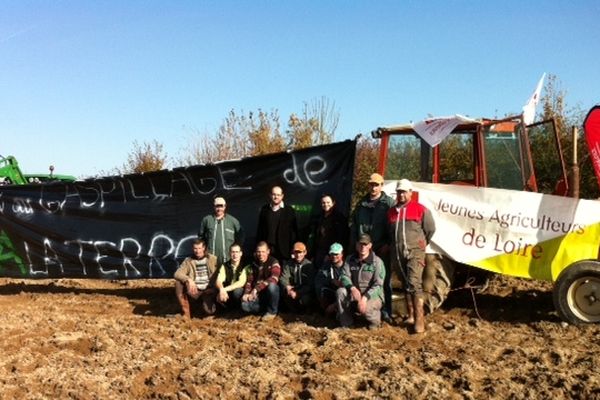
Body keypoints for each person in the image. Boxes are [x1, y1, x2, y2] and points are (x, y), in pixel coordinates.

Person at [387, 178, 436, 333]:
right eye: (399, 192)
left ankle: (420, 321)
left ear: (410, 192)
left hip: (415, 252)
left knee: (414, 282)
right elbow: (390, 232)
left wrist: (421, 244)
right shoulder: (391, 211)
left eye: (404, 192)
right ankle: (411, 315)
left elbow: (430, 229)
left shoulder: (420, 209)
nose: (401, 195)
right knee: (404, 281)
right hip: (397, 252)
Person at [350, 172, 395, 323]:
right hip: (363, 249)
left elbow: (393, 227)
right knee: (362, 280)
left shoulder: (388, 204)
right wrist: (354, 245)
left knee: (384, 281)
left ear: (382, 186)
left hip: (381, 248)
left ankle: (386, 311)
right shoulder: (361, 204)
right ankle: (362, 308)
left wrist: (388, 244)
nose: (373, 187)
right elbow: (354, 226)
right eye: (371, 184)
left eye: (376, 185)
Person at [336, 234, 385, 329]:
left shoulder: (377, 262)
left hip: (372, 296)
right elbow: (344, 276)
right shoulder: (350, 260)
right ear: (356, 245)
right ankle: (347, 323)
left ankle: (375, 321)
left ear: (370, 245)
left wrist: (365, 298)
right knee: (340, 292)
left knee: (365, 309)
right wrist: (352, 288)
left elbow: (378, 284)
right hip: (355, 294)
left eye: (365, 244)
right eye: (360, 244)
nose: (363, 247)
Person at [173, 239, 219, 318]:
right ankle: (186, 313)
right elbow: (177, 273)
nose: (197, 251)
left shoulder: (213, 259)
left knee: (209, 311)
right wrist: (189, 280)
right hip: (195, 290)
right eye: (195, 248)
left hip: (209, 290)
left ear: (204, 248)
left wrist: (214, 288)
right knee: (178, 283)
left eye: (199, 248)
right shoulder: (188, 261)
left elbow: (220, 275)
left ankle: (210, 311)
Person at [256, 185, 298, 264]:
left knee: (283, 273)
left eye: (278, 195)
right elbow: (260, 230)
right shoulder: (264, 209)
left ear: (282, 196)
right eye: (274, 194)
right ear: (270, 195)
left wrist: (293, 248)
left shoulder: (289, 210)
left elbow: (294, 232)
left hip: (284, 250)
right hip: (267, 250)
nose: (276, 197)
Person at [198, 196, 245, 268]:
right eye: (217, 206)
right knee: (212, 278)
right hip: (211, 260)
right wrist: (204, 251)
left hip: (228, 260)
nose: (219, 209)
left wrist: (236, 252)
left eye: (221, 206)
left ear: (225, 206)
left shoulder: (233, 221)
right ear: (214, 207)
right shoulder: (207, 220)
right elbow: (201, 237)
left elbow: (241, 236)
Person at [241, 241, 281, 321]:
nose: (260, 254)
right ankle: (262, 309)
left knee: (272, 286)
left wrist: (256, 289)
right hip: (258, 296)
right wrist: (246, 293)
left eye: (263, 251)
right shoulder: (254, 263)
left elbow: (274, 278)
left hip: (269, 293)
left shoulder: (274, 262)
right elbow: (249, 281)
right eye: (258, 252)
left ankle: (272, 312)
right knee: (244, 305)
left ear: (268, 251)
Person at [310, 194, 349, 269]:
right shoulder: (319, 217)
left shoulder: (339, 218)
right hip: (319, 252)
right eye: (323, 203)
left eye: (328, 202)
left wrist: (331, 254)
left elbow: (342, 238)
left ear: (333, 203)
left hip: (332, 254)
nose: (325, 205)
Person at [280, 242, 316, 313]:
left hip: (304, 291)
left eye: (300, 252)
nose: (298, 255)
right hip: (292, 288)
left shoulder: (309, 266)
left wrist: (298, 293)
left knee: (306, 299)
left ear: (305, 252)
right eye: (296, 252)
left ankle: (306, 312)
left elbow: (310, 285)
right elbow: (283, 277)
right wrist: (287, 286)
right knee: (283, 293)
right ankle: (292, 311)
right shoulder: (289, 264)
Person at [314, 242, 346, 316]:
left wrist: (335, 305)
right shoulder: (326, 266)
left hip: (344, 295)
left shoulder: (348, 267)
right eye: (332, 254)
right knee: (322, 290)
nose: (334, 256)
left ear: (342, 254)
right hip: (332, 293)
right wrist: (331, 281)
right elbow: (318, 281)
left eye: (336, 254)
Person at [214, 243, 247, 310]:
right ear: (229, 253)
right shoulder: (225, 265)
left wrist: (224, 290)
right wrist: (221, 289)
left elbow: (241, 283)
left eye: (237, 252)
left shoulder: (245, 265)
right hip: (228, 292)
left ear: (241, 253)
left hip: (241, 291)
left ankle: (239, 309)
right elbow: (218, 280)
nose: (235, 255)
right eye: (233, 252)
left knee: (237, 292)